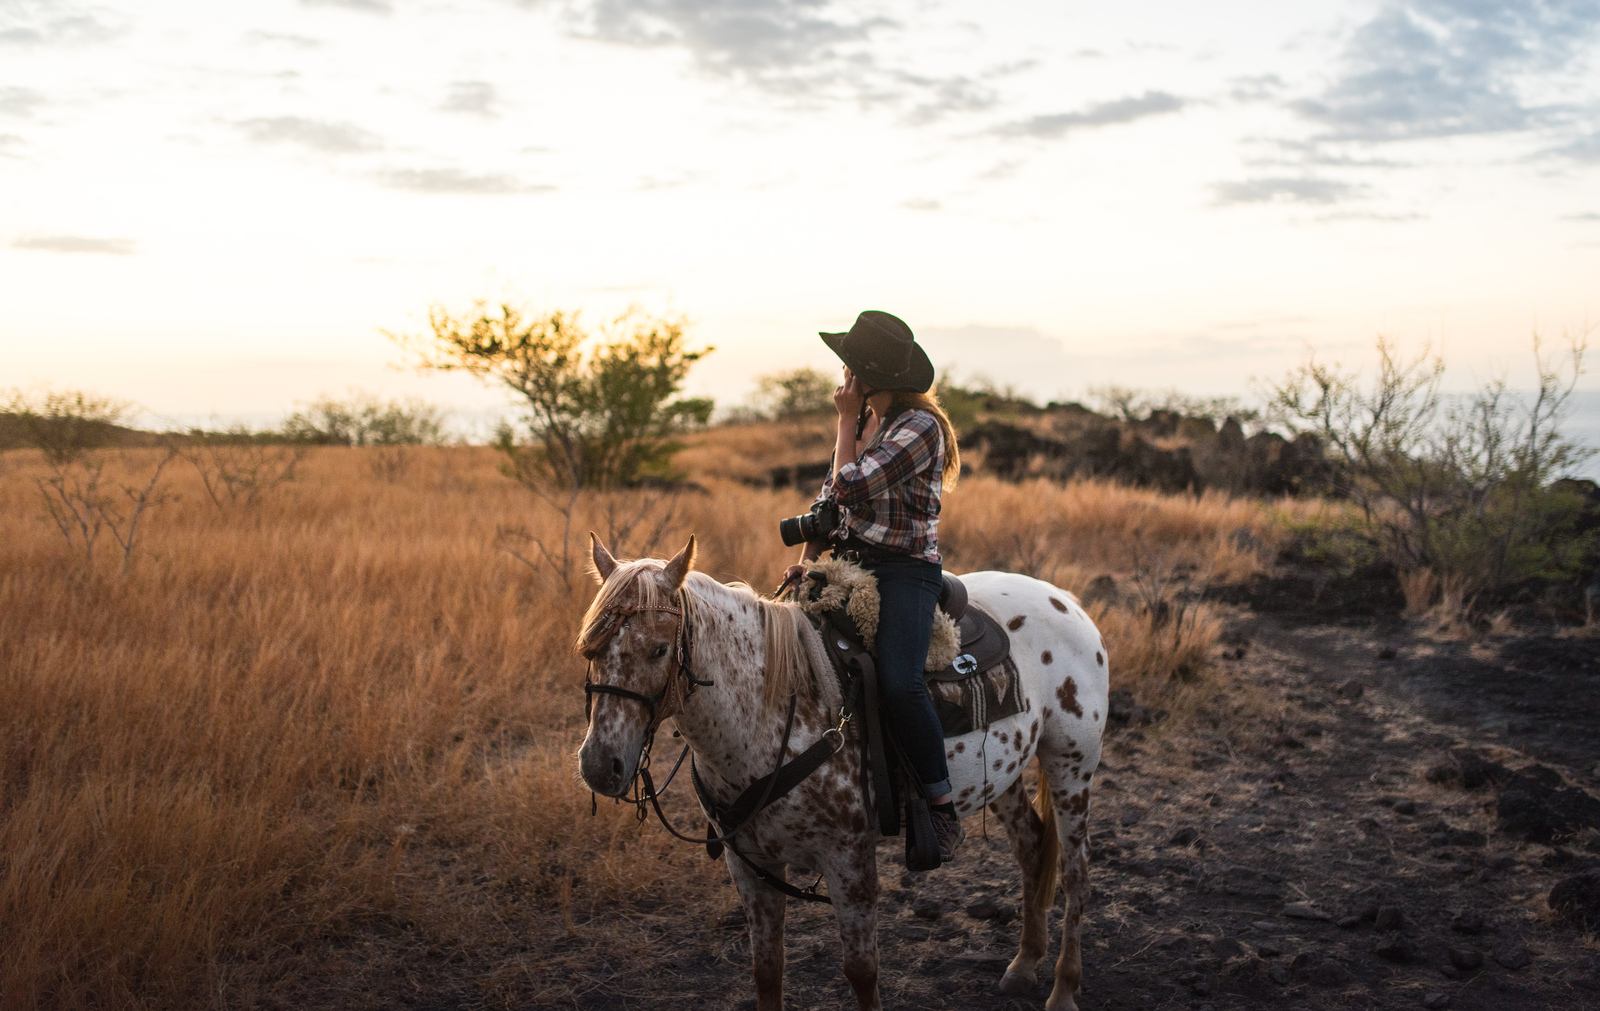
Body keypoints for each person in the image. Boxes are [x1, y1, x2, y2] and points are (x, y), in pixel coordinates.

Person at [783, 309, 965, 863]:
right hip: (848, 563)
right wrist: (808, 563)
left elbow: (850, 489)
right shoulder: (869, 423)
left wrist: (844, 426)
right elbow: (825, 506)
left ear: (865, 376)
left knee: (898, 682)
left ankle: (939, 804)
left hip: (905, 569)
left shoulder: (919, 428)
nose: (842, 376)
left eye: (849, 367)